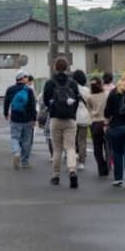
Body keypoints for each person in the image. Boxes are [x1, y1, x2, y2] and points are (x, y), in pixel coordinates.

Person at [42, 57, 81, 188]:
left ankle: (55, 175)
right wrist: (72, 112)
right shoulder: (73, 83)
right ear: (67, 67)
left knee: (57, 149)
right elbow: (77, 99)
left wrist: (52, 108)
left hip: (55, 119)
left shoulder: (50, 83)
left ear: (54, 67)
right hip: (70, 119)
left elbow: (45, 100)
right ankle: (72, 171)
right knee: (70, 147)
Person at [3, 70, 37, 170]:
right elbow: (32, 106)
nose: (27, 78)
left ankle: (16, 152)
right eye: (26, 77)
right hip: (27, 119)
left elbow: (6, 103)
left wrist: (6, 113)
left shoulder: (10, 89)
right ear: (22, 78)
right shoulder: (29, 90)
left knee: (14, 137)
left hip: (15, 118)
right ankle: (25, 162)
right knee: (27, 141)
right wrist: (34, 118)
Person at [86, 76, 109, 176]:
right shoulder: (106, 95)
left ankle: (101, 168)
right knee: (108, 147)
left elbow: (89, 110)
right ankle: (109, 166)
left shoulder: (89, 97)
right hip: (106, 123)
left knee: (97, 148)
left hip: (95, 123)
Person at [72, 70, 91, 170]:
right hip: (84, 117)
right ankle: (82, 162)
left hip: (73, 116)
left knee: (72, 138)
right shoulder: (87, 90)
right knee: (82, 140)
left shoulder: (71, 88)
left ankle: (72, 158)